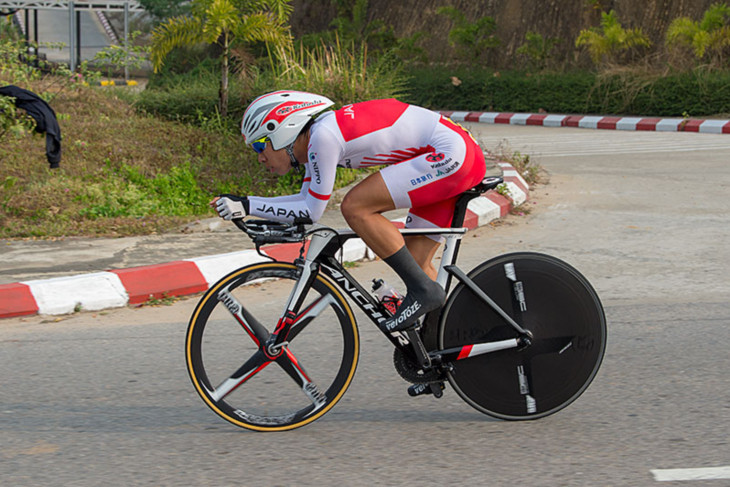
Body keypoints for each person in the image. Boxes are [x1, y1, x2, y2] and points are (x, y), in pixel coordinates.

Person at [212, 90, 486, 332]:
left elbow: (311, 211)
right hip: (455, 155)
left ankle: (424, 292)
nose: (260, 157)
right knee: (416, 263)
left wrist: (247, 205)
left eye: (261, 145)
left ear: (282, 131)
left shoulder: (323, 138)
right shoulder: (316, 141)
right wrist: (248, 205)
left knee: (355, 206)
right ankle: (457, 339)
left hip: (451, 155)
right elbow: (305, 201)